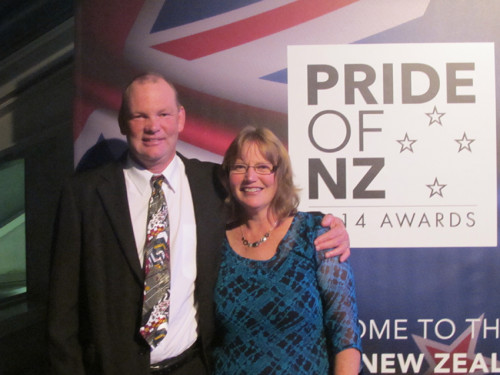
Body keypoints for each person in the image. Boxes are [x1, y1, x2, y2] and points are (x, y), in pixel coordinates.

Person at [47, 73, 351, 375]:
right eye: (140, 116)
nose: (153, 126)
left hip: (194, 366)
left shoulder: (214, 183)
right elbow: (62, 315)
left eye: (163, 114)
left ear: (180, 118)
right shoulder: (83, 195)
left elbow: (266, 203)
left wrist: (331, 226)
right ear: (123, 121)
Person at [212, 126, 362, 374]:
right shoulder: (212, 242)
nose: (251, 177)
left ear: (280, 175)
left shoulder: (317, 234)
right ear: (228, 176)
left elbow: (346, 334)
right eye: (240, 167)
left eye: (263, 167)